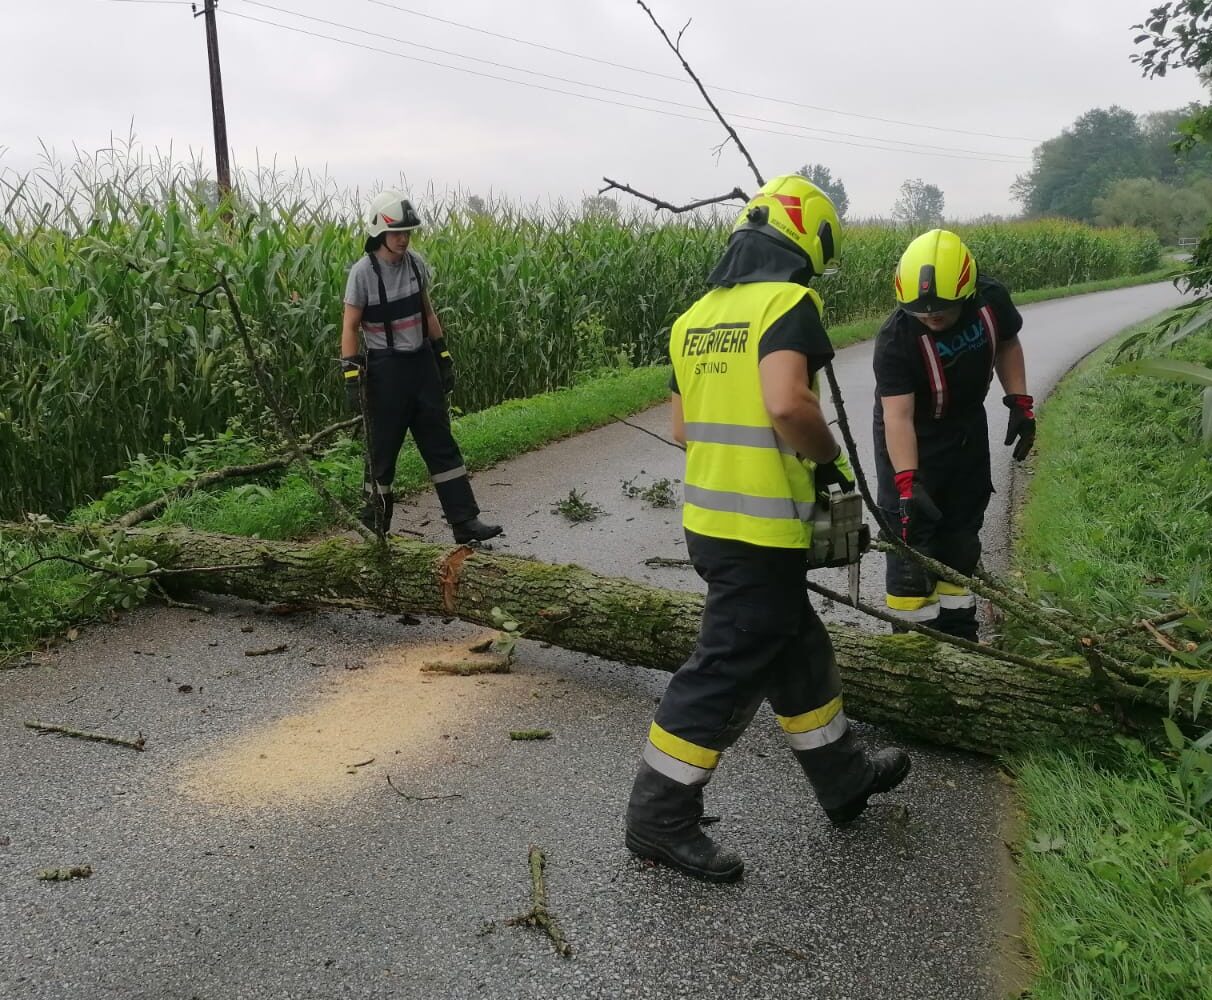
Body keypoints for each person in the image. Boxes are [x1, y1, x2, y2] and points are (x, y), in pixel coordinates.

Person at [624, 175, 911, 884]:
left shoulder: (693, 318)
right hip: (763, 533)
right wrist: (831, 462)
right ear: (807, 240)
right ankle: (658, 816)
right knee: (722, 669)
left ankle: (842, 776)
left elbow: (684, 427)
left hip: (711, 524)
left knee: (794, 644)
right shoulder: (790, 303)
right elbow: (788, 405)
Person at [872, 229, 1033, 640]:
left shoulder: (991, 299)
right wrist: (907, 483)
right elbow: (897, 416)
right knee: (913, 542)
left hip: (965, 428)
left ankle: (960, 635)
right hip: (911, 437)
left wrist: (1019, 401)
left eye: (942, 309)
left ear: (967, 290)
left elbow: (1008, 344)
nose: (931, 316)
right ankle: (913, 647)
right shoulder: (896, 339)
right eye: (921, 310)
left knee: (961, 535)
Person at [340, 191, 502, 543]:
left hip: (422, 366)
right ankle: (374, 531)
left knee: (441, 444)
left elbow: (427, 312)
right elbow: (350, 326)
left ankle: (465, 523)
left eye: (408, 232)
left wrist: (442, 355)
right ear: (379, 232)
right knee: (381, 454)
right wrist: (352, 377)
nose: (404, 238)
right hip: (386, 373)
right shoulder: (362, 274)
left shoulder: (415, 263)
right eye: (397, 232)